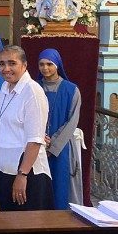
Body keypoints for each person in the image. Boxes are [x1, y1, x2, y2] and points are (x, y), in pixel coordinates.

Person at [0, 46, 54, 234]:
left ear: (24, 65)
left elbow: (35, 139)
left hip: (27, 173)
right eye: (2, 64)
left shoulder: (32, 92)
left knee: (28, 230)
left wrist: (22, 175)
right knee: (9, 227)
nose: (6, 68)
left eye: (11, 63)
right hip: (4, 168)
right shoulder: (6, 87)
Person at [37, 49, 80, 210]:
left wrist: (53, 145)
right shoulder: (34, 87)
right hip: (37, 145)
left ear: (57, 65)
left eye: (49, 64)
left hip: (60, 149)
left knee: (60, 187)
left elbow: (72, 121)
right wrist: (41, 139)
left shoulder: (71, 90)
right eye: (41, 64)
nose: (45, 68)